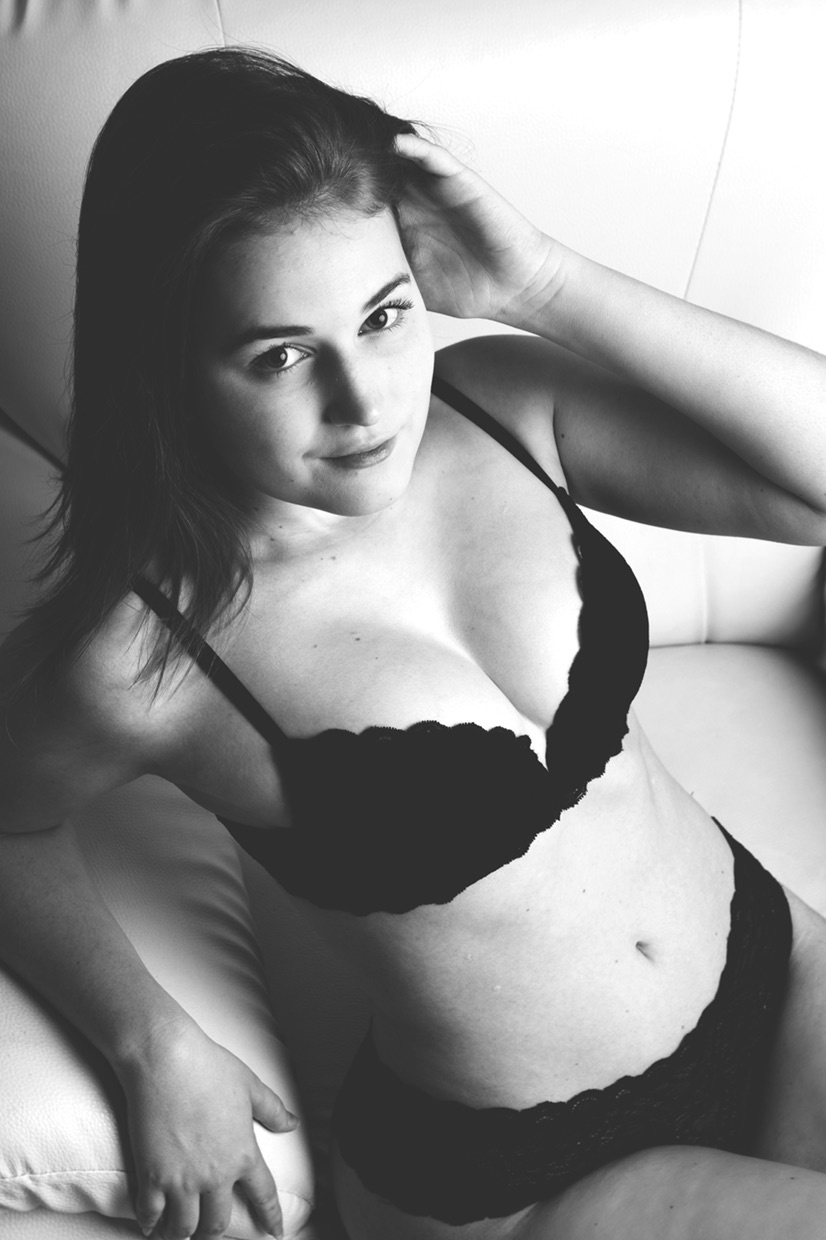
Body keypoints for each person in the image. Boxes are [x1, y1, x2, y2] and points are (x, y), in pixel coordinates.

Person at [2, 44, 826, 1240]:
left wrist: (541, 282)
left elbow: (812, 488)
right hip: (526, 1174)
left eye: (385, 316)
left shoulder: (500, 409)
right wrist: (150, 1042)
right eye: (282, 355)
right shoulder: (149, 654)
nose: (366, 399)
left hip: (781, 972)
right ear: (166, 364)